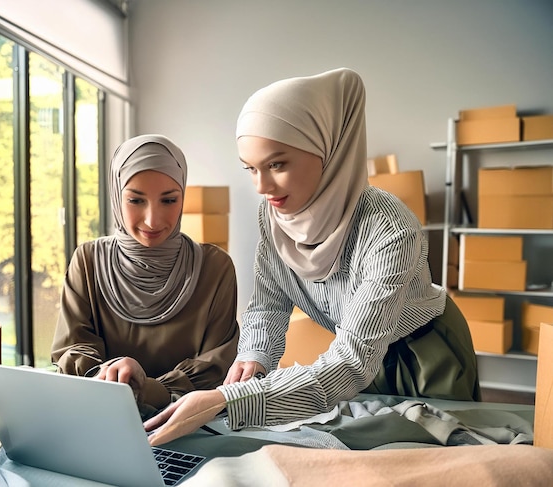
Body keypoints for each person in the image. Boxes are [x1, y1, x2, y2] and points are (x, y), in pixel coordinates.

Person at [145, 68, 480, 446]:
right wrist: (255, 356)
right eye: (251, 169)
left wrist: (227, 401)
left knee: (435, 459)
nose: (262, 186)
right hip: (354, 353)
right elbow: (269, 303)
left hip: (421, 355)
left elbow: (352, 363)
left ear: (328, 149)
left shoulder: (390, 230)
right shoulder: (272, 215)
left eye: (277, 164)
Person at [51, 134, 240, 418]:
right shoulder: (88, 260)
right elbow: (71, 351)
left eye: (169, 200)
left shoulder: (215, 268)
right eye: (136, 200)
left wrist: (148, 388)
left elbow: (216, 372)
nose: (153, 220)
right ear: (117, 195)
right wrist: (107, 376)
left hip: (189, 423)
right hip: (98, 416)